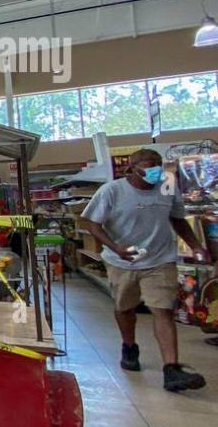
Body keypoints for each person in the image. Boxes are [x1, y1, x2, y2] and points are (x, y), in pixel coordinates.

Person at [84, 148, 209, 392]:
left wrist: (196, 246)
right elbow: (92, 223)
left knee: (162, 310)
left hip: (160, 258)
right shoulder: (112, 191)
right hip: (122, 261)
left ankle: (171, 369)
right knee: (125, 308)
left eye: (158, 164)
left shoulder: (167, 187)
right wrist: (115, 247)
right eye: (149, 164)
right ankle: (129, 346)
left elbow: (178, 219)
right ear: (133, 167)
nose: (155, 169)